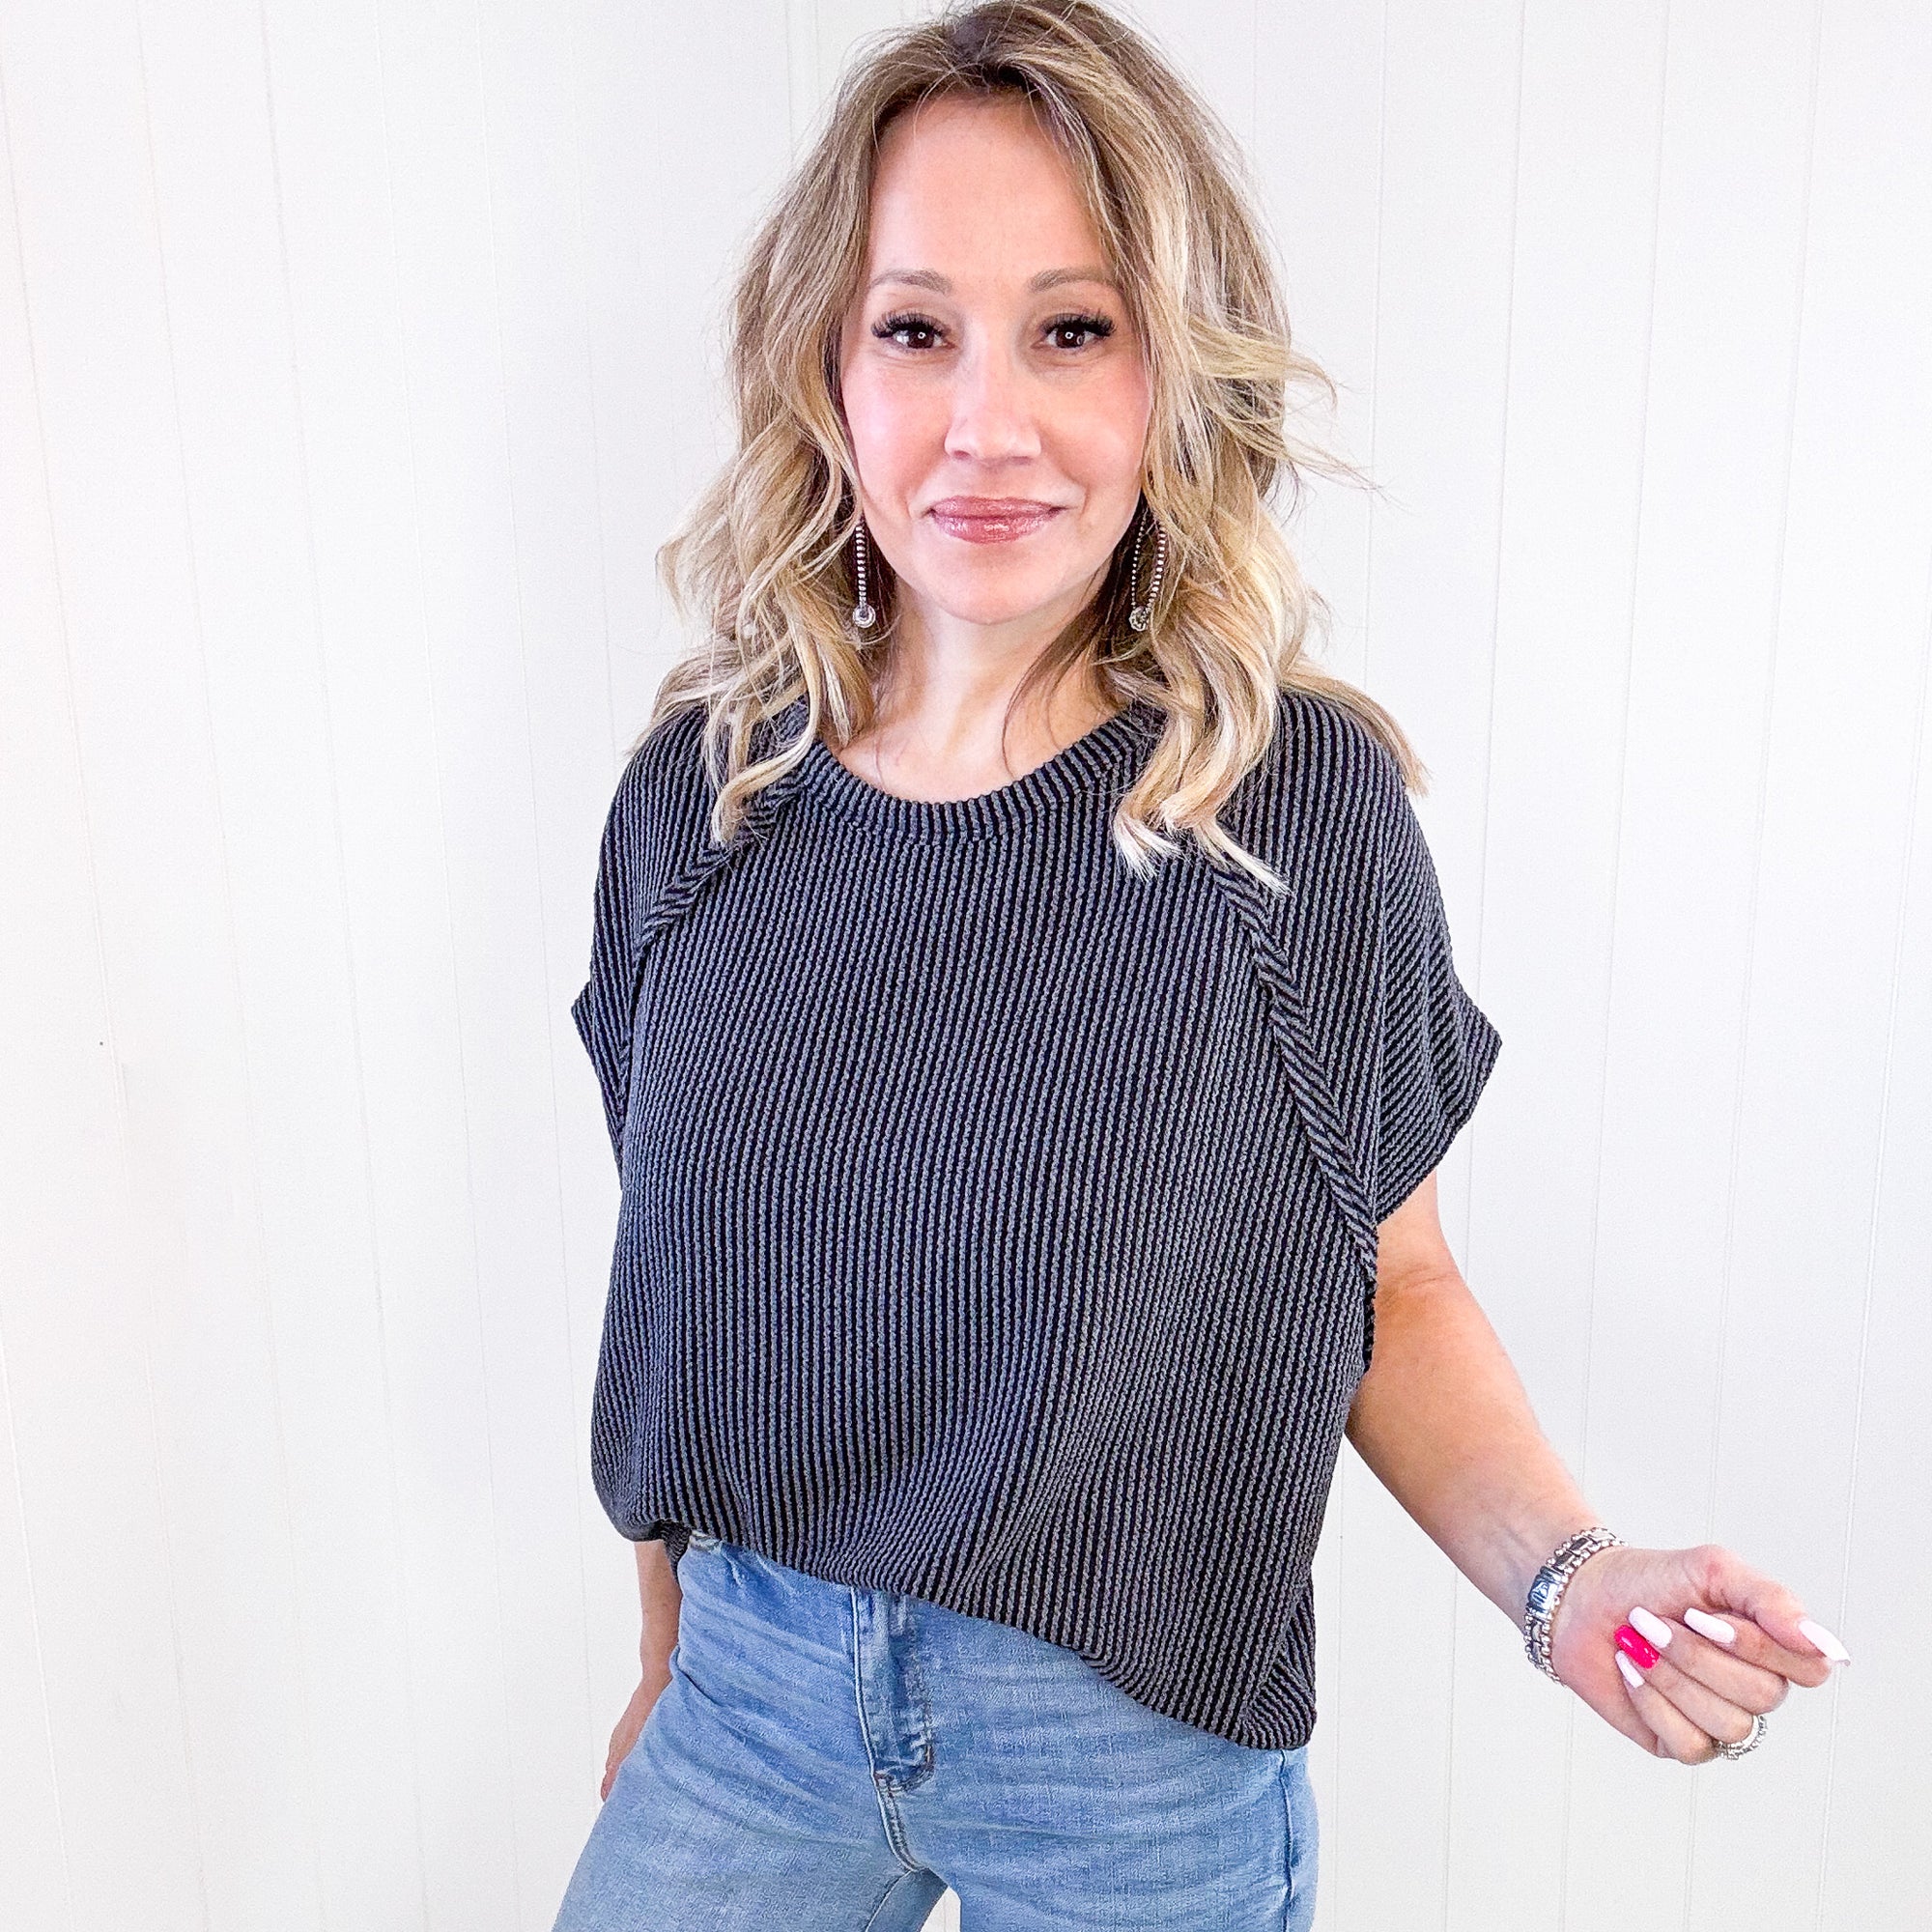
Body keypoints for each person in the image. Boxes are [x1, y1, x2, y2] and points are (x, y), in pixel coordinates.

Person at [552, 5, 1847, 1927]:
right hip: (750, 1701)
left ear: (1174, 374)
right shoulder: (701, 803)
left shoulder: (1287, 815)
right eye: (917, 329)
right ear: (829, 367)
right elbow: (684, 1294)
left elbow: (1392, 1283)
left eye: (1073, 330)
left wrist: (1570, 1585)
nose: (989, 423)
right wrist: (669, 1657)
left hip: (1125, 1748)